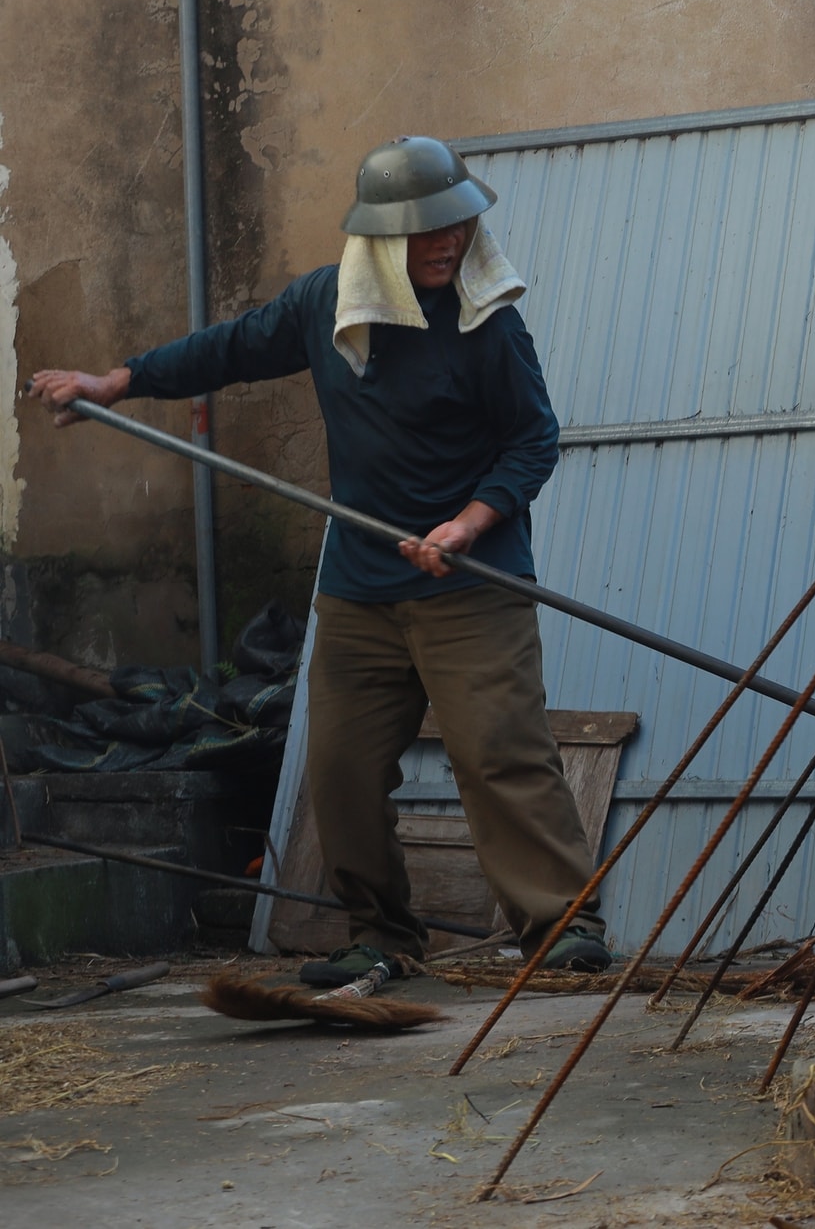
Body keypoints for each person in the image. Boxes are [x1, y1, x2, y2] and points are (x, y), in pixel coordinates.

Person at [30, 135, 612, 985]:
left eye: (455, 223)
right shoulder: (325, 306)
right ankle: (380, 936)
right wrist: (116, 382)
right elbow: (229, 349)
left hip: (470, 586)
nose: (446, 241)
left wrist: (466, 525)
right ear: (381, 238)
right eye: (424, 230)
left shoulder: (490, 325)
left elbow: (533, 442)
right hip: (359, 590)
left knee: (499, 756)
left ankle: (563, 930)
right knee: (339, 770)